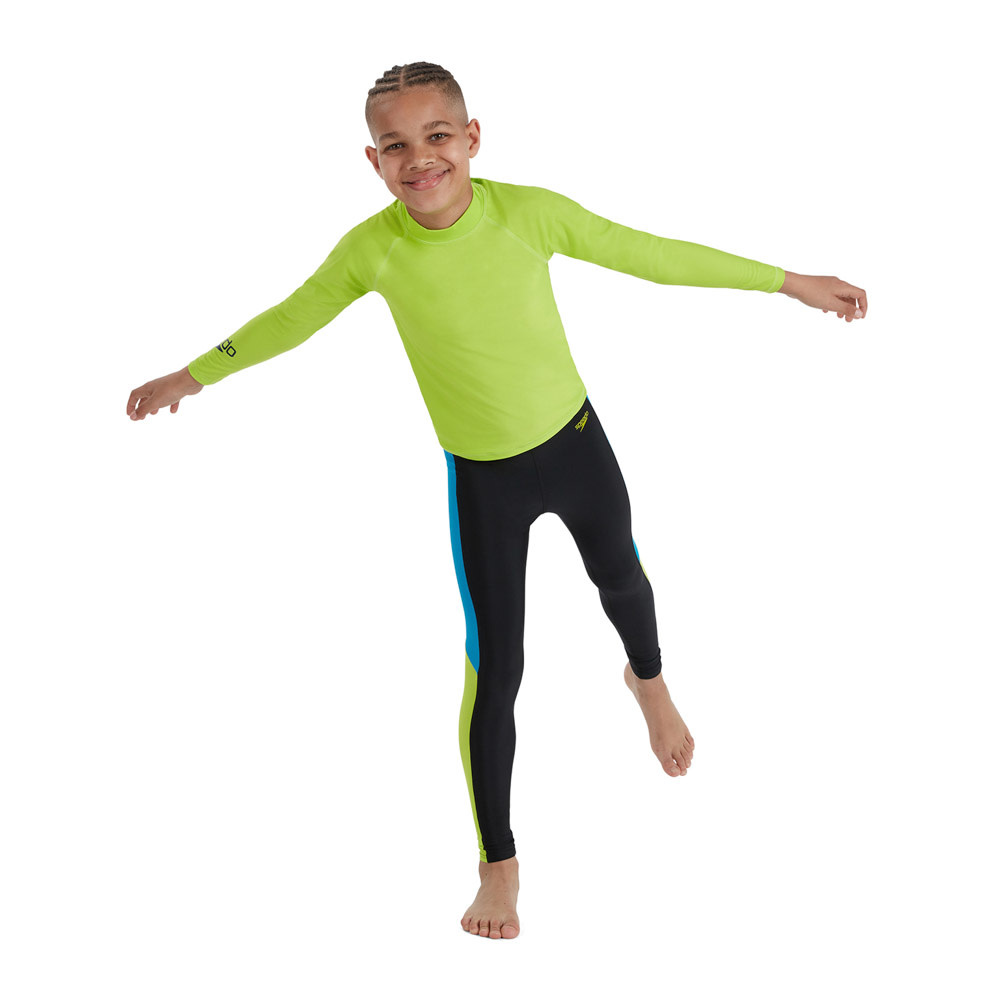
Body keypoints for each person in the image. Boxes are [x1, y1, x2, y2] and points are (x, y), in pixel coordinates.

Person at [126, 61, 868, 941]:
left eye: (437, 136)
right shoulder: (372, 250)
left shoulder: (528, 214)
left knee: (623, 582)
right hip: (484, 482)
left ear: (472, 138)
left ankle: (648, 681)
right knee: (496, 671)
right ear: (373, 160)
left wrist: (788, 281)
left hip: (577, 445)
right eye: (396, 146)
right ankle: (499, 866)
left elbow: (652, 254)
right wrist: (193, 375)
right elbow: (292, 316)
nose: (420, 159)